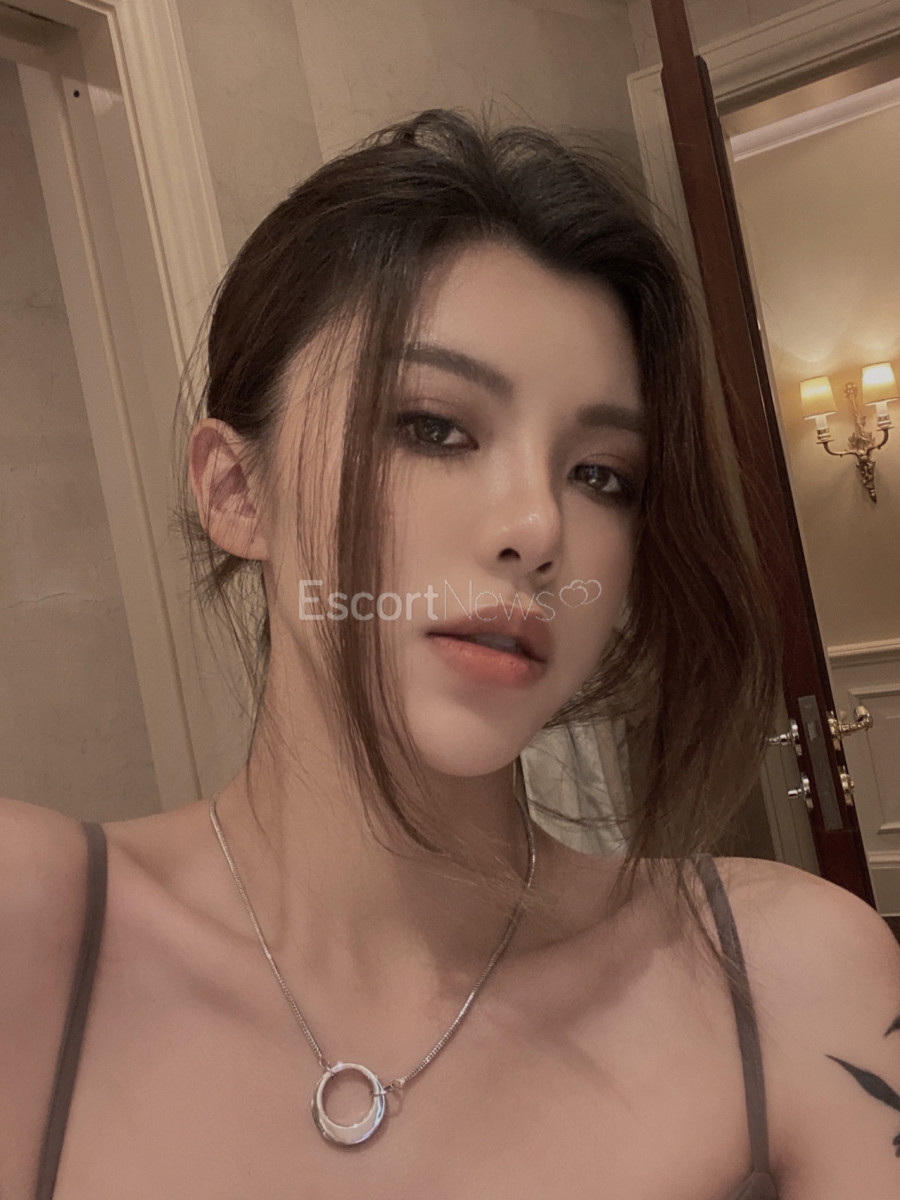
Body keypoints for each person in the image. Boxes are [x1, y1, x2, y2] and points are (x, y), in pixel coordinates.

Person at [2, 109, 897, 1200]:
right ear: (235, 491)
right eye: (433, 427)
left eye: (602, 474)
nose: (539, 527)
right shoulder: (35, 929)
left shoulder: (788, 981)